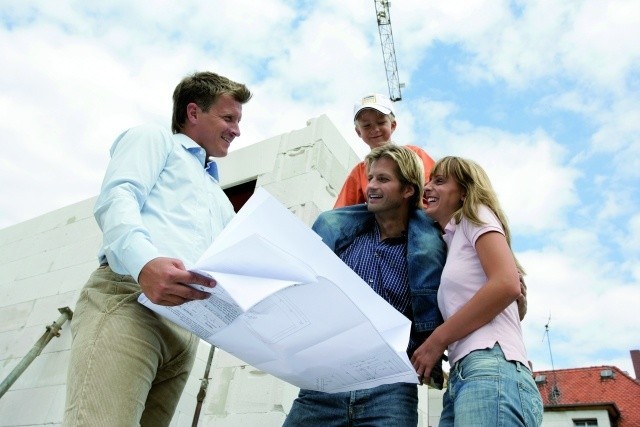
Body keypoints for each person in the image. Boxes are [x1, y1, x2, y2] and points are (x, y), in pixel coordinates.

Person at [62, 71, 252, 426]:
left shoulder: (220, 200)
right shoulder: (156, 139)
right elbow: (118, 197)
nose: (237, 130)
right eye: (229, 118)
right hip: (132, 301)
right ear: (193, 113)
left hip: (186, 332)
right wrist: (145, 262)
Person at [284, 144, 447, 426]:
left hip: (390, 391)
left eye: (382, 179)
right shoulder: (343, 238)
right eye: (370, 178)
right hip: (324, 384)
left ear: (408, 190)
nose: (371, 186)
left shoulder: (429, 252)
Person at [411, 156, 543, 426]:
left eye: (439, 181)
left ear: (463, 192)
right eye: (428, 181)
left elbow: (506, 284)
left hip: (490, 366)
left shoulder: (476, 214)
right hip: (465, 374)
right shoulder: (451, 242)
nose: (427, 187)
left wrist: (436, 341)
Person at [334, 93, 436, 208]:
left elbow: (437, 188)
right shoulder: (359, 171)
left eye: (381, 122)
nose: (375, 129)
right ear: (358, 132)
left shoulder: (414, 154)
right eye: (367, 125)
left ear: (392, 125)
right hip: (382, 222)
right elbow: (339, 212)